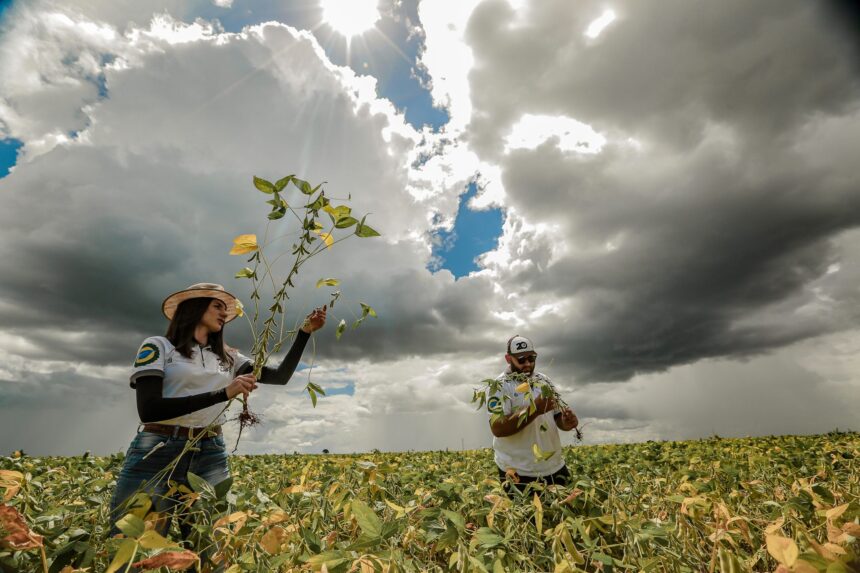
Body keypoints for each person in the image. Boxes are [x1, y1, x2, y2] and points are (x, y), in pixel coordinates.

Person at [108, 282, 326, 536]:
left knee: (209, 546)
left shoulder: (228, 356)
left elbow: (280, 376)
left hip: (209, 454)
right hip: (157, 451)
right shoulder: (158, 346)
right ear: (194, 307)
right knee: (133, 542)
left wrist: (305, 332)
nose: (224, 314)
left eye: (226, 309)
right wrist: (224, 393)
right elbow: (149, 410)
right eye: (217, 306)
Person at [486, 335, 578, 495]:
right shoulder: (499, 387)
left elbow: (556, 417)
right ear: (508, 359)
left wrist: (566, 423)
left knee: (566, 515)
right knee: (528, 519)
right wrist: (534, 409)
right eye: (521, 360)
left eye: (532, 358)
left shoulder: (544, 381)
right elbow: (498, 428)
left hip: (554, 467)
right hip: (518, 473)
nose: (528, 364)